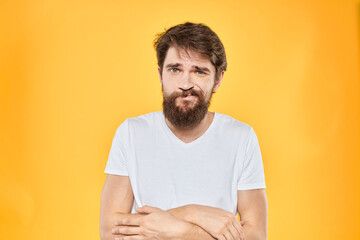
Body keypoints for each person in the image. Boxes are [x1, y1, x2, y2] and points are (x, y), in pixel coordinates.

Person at [100, 22, 268, 240]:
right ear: (161, 75)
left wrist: (182, 231)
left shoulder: (241, 138)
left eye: (199, 71)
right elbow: (109, 231)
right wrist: (194, 213)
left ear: (217, 79)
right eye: (175, 69)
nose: (185, 83)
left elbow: (256, 235)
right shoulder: (131, 133)